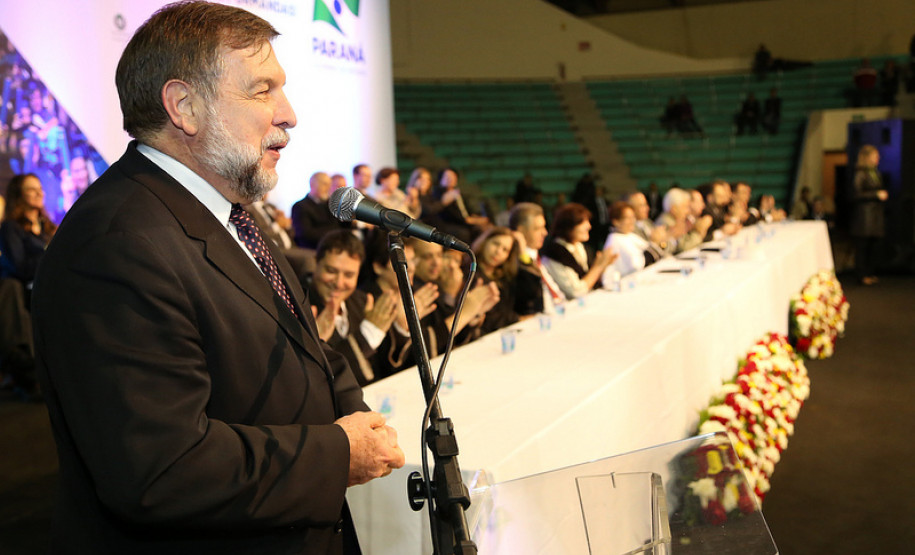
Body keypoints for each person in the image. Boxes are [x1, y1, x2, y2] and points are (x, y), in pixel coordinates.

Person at [30, 3, 404, 553]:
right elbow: (163, 469)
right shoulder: (116, 246)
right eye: (262, 91)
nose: (289, 113)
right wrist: (337, 454)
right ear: (184, 106)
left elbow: (304, 344)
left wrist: (354, 412)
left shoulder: (229, 211)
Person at [308, 231, 400, 387]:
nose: (339, 283)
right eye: (331, 271)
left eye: (349, 275)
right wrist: (367, 334)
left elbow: (381, 366)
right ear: (315, 263)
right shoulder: (298, 305)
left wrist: (402, 328)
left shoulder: (362, 300)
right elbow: (319, 373)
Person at [540, 203, 617, 299]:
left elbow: (591, 280)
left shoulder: (582, 247)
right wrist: (598, 267)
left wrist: (604, 265)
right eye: (582, 222)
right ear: (568, 226)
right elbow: (575, 292)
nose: (589, 226)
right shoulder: (554, 253)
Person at [0, 173, 57, 291]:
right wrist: (50, 253)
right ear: (19, 194)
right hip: (28, 291)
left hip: (53, 281)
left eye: (40, 189)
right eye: (32, 189)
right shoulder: (11, 227)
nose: (39, 193)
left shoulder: (48, 227)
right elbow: (19, 267)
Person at [508, 202, 562, 316]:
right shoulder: (514, 261)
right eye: (538, 228)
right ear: (520, 231)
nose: (545, 233)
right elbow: (530, 293)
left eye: (544, 227)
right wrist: (522, 255)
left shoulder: (535, 255)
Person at [470, 227, 521, 335]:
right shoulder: (469, 272)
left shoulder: (504, 278)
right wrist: (518, 319)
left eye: (505, 250)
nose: (498, 252)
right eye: (496, 244)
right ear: (485, 241)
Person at [851, 145, 888, 285]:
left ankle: (869, 272)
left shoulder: (875, 172)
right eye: (875, 155)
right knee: (862, 246)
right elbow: (856, 193)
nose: (878, 158)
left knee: (873, 246)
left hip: (875, 215)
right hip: (864, 216)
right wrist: (876, 194)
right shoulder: (861, 173)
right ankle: (861, 275)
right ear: (867, 157)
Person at [291, 171, 351, 249]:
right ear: (312, 184)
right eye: (324, 184)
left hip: (334, 247)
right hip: (313, 249)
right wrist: (335, 233)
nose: (328, 188)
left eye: (329, 184)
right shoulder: (300, 206)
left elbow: (343, 227)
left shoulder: (330, 204)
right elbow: (305, 234)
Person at [603, 201, 663, 278]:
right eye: (628, 218)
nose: (632, 221)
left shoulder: (630, 235)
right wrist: (655, 242)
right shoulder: (615, 240)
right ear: (616, 221)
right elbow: (637, 266)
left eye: (633, 217)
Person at [655, 188, 712, 254]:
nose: (688, 211)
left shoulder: (676, 220)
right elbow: (684, 248)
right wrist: (699, 233)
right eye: (685, 207)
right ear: (674, 209)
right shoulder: (666, 222)